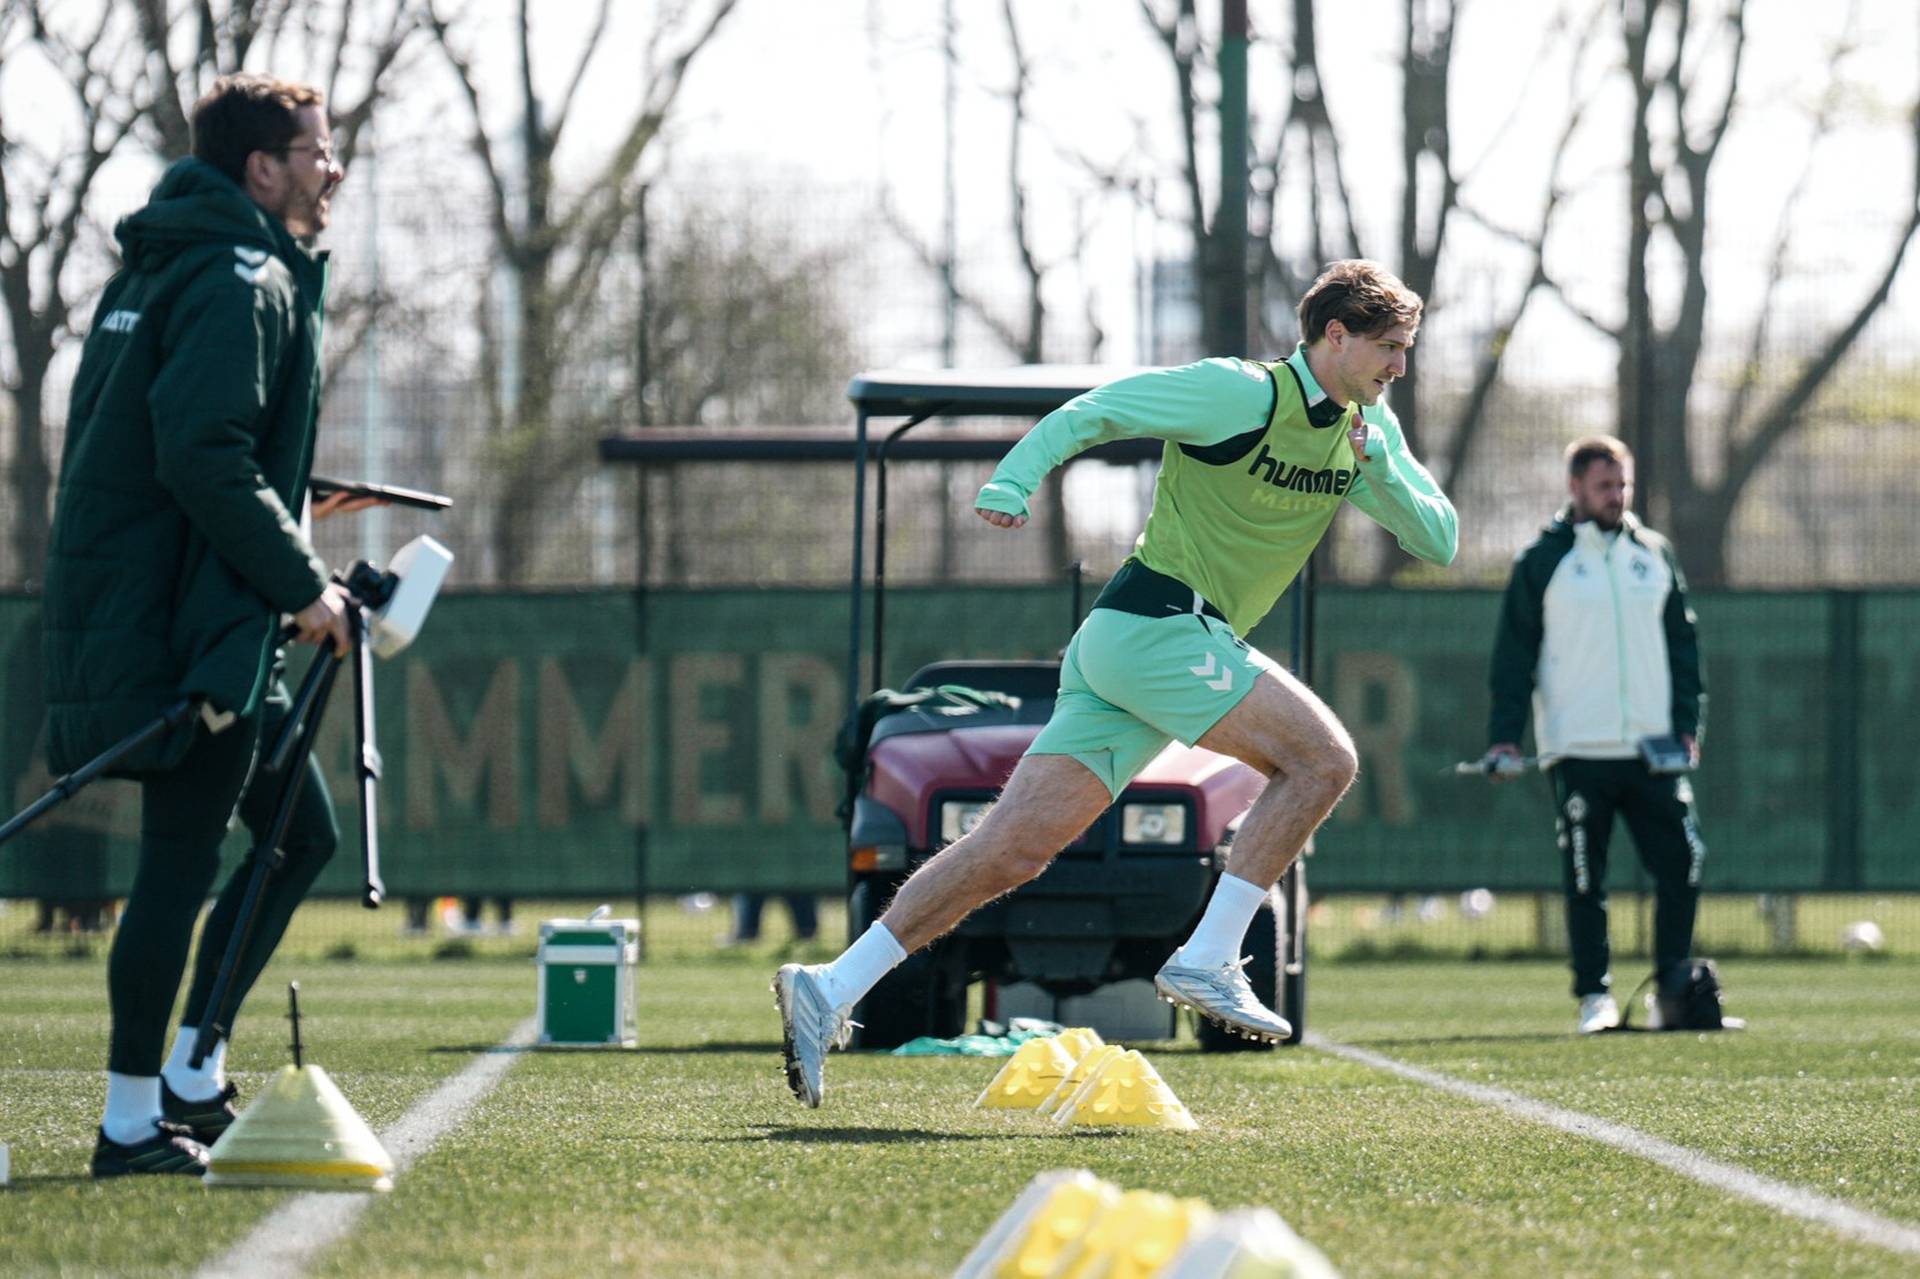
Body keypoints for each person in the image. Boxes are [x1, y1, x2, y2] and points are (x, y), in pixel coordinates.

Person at [775, 259, 1459, 1106]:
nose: (1400, 366)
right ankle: (1209, 955)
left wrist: (1377, 465)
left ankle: (831, 986)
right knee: (1324, 761)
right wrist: (1013, 478)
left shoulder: (1368, 429)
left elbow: (1438, 539)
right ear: (1336, 335)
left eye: (1405, 349)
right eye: (1389, 347)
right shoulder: (1239, 393)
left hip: (1136, 645)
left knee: (1010, 851)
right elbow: (1096, 410)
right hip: (1158, 624)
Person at [41, 74, 350, 1176]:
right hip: (196, 627)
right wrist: (303, 581)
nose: (333, 169)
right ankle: (130, 1124)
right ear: (261, 169)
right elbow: (200, 455)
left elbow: (181, 448)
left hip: (180, 608)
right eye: (317, 151)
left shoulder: (163, 262)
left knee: (299, 834)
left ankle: (187, 1073)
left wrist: (295, 504)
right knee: (179, 862)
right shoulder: (238, 274)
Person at [1484, 435, 1707, 1035]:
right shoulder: (1542, 561)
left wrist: (1687, 724)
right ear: (1576, 488)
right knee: (1586, 877)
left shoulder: (1653, 553)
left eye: (1623, 484)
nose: (1617, 495)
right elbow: (1514, 656)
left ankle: (1673, 991)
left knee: (1684, 862)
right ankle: (1594, 997)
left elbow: (1683, 646)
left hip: (1653, 749)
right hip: (1579, 747)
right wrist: (1505, 737)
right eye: (1605, 485)